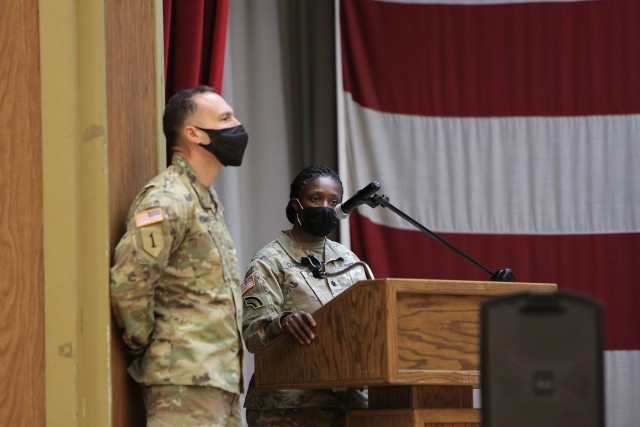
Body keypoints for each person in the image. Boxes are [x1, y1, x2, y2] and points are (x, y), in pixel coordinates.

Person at [109, 85, 248, 427]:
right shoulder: (167, 199)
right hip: (183, 382)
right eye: (225, 118)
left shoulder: (204, 200)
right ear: (194, 134)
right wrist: (153, 348)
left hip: (219, 382)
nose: (237, 124)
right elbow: (131, 282)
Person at [241, 165, 372, 427]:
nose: (325, 206)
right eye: (315, 198)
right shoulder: (269, 261)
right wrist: (283, 322)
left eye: (333, 201)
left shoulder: (350, 261)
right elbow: (253, 335)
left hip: (351, 404)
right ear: (296, 205)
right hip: (290, 407)